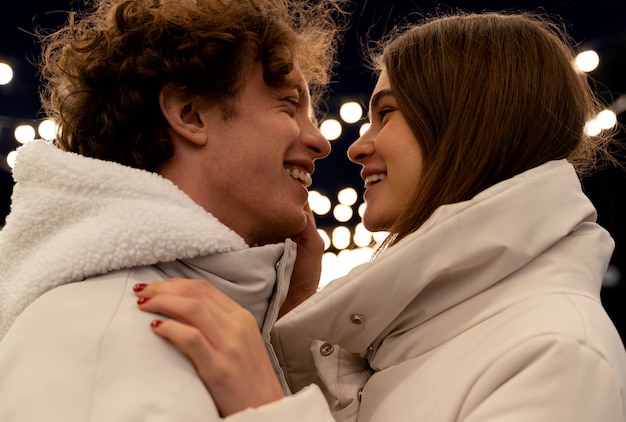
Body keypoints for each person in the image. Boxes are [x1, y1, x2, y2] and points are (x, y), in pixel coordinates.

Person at [133, 10, 626, 421]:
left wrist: (263, 405)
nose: (355, 147)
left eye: (386, 114)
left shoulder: (556, 350)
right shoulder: (436, 329)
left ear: (470, 124)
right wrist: (296, 311)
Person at [0, 0, 347, 420]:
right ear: (190, 114)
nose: (320, 142)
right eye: (289, 105)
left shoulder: (154, 319)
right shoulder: (108, 333)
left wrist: (287, 315)